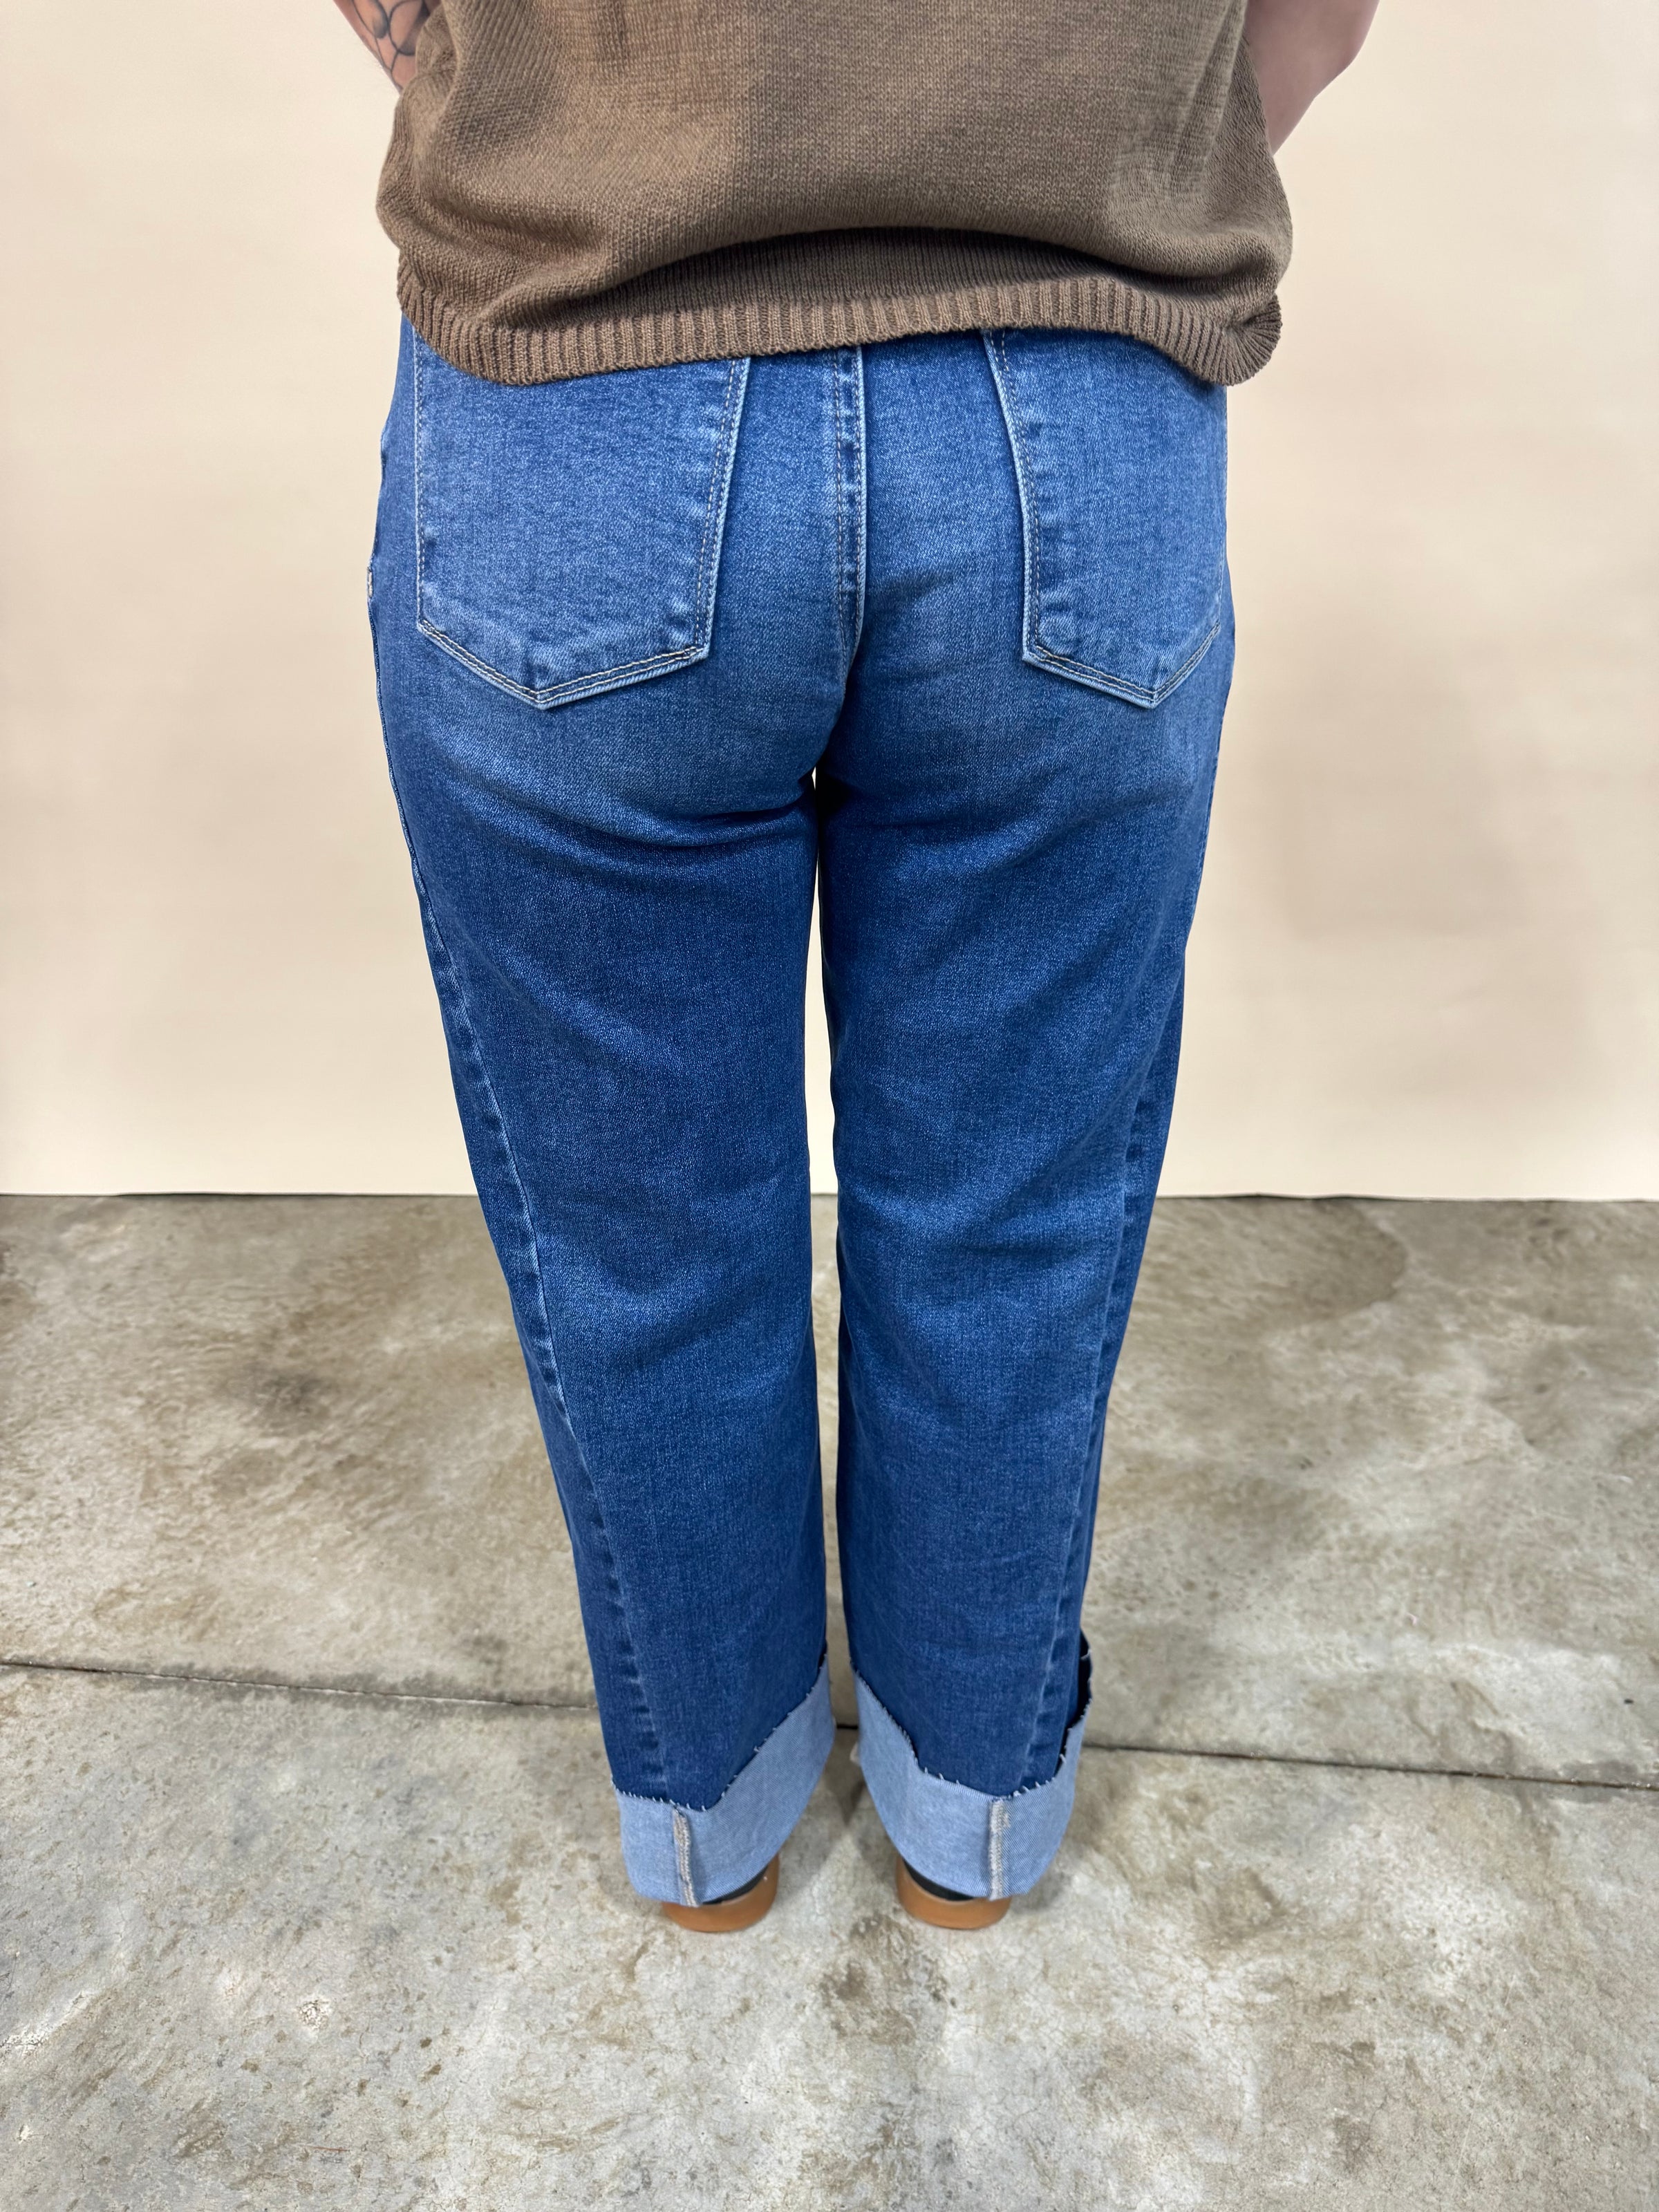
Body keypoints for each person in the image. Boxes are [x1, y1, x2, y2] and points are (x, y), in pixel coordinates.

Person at [334, 0, 1379, 1932]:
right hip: (1076, 398)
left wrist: (539, 92)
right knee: (1011, 1224)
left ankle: (710, 1831)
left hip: (582, 402)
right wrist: (1120, 121)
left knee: (640, 1238)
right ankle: (969, 1822)